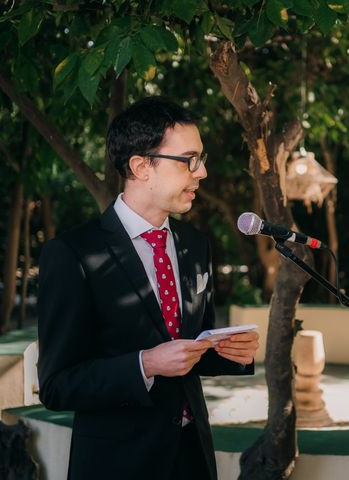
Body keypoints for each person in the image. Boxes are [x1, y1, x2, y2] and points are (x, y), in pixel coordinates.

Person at [37, 96, 259, 480]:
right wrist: (146, 364)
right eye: (190, 160)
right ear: (141, 167)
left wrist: (229, 352)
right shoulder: (73, 254)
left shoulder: (195, 244)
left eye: (201, 159)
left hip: (192, 457)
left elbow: (188, 347)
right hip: (118, 464)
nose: (202, 173)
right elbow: (58, 385)